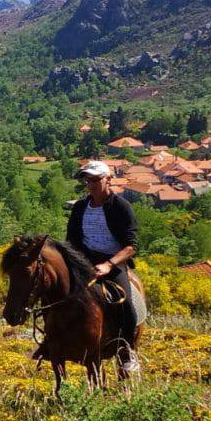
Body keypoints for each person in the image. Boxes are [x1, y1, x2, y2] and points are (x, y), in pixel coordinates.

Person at [65, 160, 140, 373]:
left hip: (113, 262)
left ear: (109, 179)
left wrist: (109, 264)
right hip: (84, 261)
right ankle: (53, 342)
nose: (90, 184)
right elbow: (71, 240)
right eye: (87, 180)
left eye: (95, 179)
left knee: (125, 304)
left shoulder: (121, 207)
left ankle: (126, 350)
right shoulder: (80, 207)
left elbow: (131, 246)